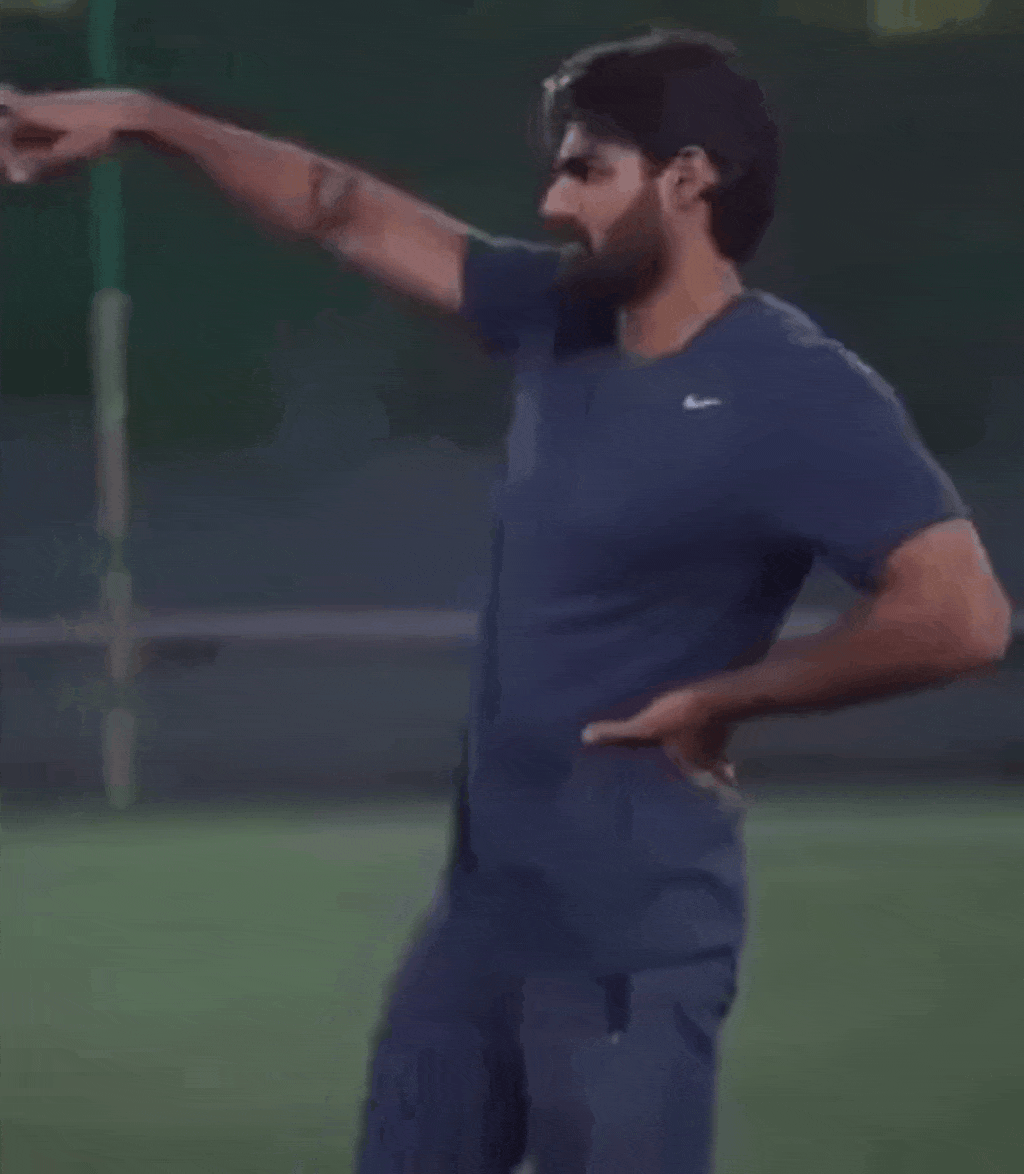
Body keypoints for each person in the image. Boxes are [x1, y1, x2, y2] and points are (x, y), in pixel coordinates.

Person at [1, 28, 1012, 1173]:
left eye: (587, 170)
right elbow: (341, 210)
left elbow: (960, 614)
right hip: (480, 923)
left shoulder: (796, 389)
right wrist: (145, 118)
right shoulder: (555, 316)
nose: (552, 201)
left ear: (688, 178)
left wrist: (729, 697)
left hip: (630, 935)